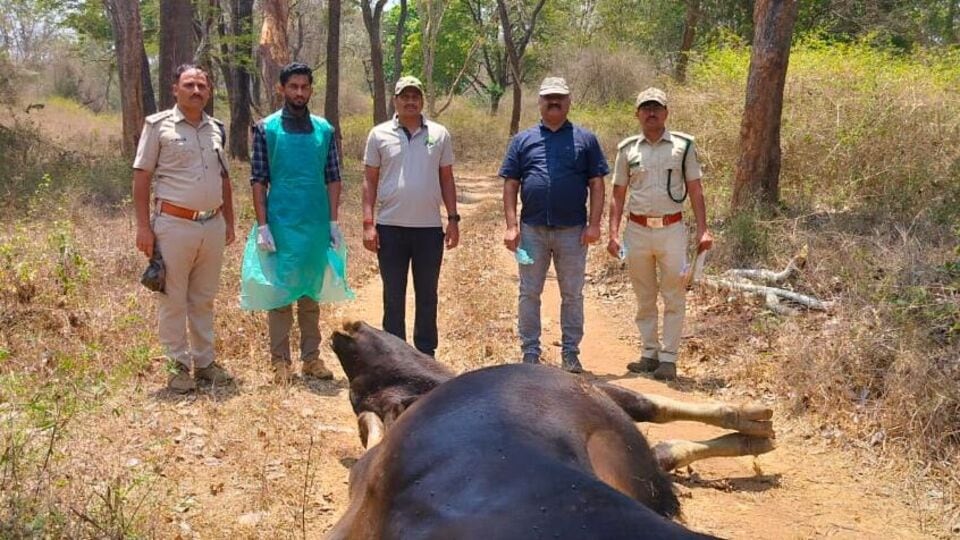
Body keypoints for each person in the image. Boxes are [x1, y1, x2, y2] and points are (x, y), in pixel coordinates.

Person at [240, 62, 351, 383]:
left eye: (304, 87)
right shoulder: (266, 129)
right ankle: (280, 363)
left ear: (311, 90)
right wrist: (263, 226)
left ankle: (312, 359)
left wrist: (333, 221)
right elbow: (258, 180)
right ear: (282, 89)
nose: (299, 93)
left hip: (315, 223)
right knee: (280, 295)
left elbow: (333, 177)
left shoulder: (324, 130)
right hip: (280, 223)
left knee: (310, 294)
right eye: (293, 87)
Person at [133, 64, 236, 393]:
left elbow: (224, 178)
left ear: (209, 91)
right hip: (173, 225)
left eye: (202, 86)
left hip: (212, 225)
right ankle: (177, 367)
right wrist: (143, 228)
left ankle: (205, 364)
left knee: (204, 299)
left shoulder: (216, 127)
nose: (196, 91)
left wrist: (230, 222)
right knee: (173, 299)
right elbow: (142, 177)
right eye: (189, 85)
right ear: (174, 88)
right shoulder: (158, 126)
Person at [499, 76, 609, 374]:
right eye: (549, 97)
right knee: (529, 292)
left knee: (572, 294)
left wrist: (595, 224)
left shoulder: (585, 140)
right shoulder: (523, 140)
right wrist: (511, 225)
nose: (554, 102)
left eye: (559, 97)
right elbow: (511, 184)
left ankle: (571, 354)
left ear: (569, 101)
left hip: (573, 231)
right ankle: (530, 354)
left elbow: (597, 184)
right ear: (540, 102)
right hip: (532, 230)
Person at [607, 87, 713, 381]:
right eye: (645, 108)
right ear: (638, 114)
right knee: (644, 295)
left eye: (657, 107)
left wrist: (703, 230)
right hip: (637, 230)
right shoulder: (627, 149)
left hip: (672, 230)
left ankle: (669, 358)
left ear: (666, 113)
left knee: (674, 294)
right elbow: (618, 193)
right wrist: (613, 233)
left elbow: (695, 189)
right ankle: (649, 353)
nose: (651, 112)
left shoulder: (683, 146)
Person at [362, 76, 459, 357]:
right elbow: (369, 180)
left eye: (415, 96)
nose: (410, 101)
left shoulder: (439, 134)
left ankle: (426, 354)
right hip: (390, 228)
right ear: (395, 100)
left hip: (429, 229)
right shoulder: (379, 134)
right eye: (404, 96)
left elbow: (447, 178)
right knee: (393, 296)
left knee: (427, 295)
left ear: (422, 101)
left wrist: (452, 219)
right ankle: (395, 355)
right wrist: (368, 223)